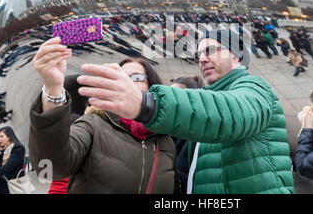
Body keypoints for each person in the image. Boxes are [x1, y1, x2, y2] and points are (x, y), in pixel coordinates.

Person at [76, 29, 295, 194]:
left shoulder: (255, 87)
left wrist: (147, 104)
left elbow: (233, 113)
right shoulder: (208, 99)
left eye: (210, 51)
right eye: (199, 54)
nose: (201, 59)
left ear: (236, 56)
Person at [29, 40, 178, 194]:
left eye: (137, 78)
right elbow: (52, 166)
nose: (127, 82)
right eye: (121, 77)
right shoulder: (93, 125)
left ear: (152, 86)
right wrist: (53, 88)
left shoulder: (165, 140)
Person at [170, 76, 205, 194]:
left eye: (176, 95)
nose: (171, 100)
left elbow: (191, 185)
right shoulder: (166, 132)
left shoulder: (196, 139)